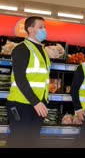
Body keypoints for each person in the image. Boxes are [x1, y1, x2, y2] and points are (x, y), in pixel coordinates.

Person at [6, 16, 50, 148]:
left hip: (38, 104)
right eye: (41, 27)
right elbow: (20, 78)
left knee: (32, 141)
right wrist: (35, 101)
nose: (44, 30)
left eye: (45, 27)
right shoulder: (21, 49)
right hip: (21, 104)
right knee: (18, 140)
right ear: (31, 29)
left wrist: (42, 101)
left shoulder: (42, 51)